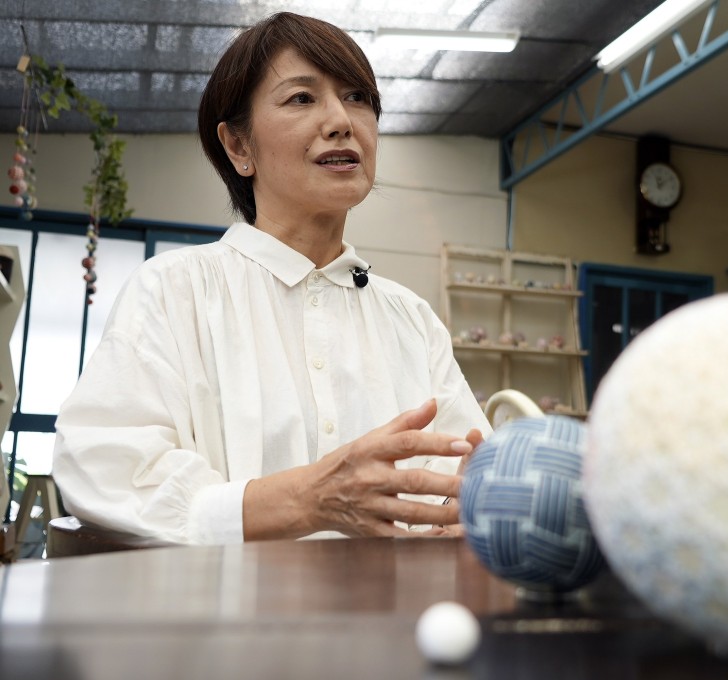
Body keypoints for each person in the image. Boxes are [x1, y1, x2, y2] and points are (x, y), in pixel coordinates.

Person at [51, 12, 491, 545]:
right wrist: (308, 500)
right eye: (301, 99)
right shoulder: (174, 290)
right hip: (221, 622)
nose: (341, 121)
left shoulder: (411, 319)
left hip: (394, 620)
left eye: (357, 98)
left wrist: (472, 506)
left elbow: (468, 472)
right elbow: (103, 468)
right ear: (239, 147)